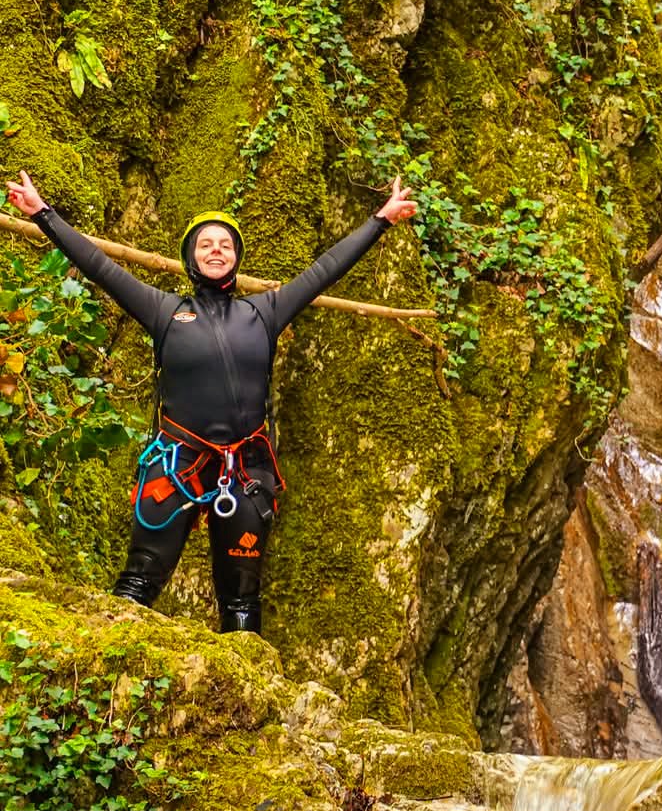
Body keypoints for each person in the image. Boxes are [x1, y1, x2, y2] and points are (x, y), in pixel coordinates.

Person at [5, 170, 418, 634]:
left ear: (237, 257)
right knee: (139, 580)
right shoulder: (164, 311)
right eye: (206, 244)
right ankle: (104, 665)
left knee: (241, 599)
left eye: (225, 243)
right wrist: (43, 214)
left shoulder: (264, 312)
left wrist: (380, 220)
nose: (216, 249)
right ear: (190, 258)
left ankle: (246, 684)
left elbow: (324, 270)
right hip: (176, 462)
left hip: (244, 472)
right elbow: (101, 268)